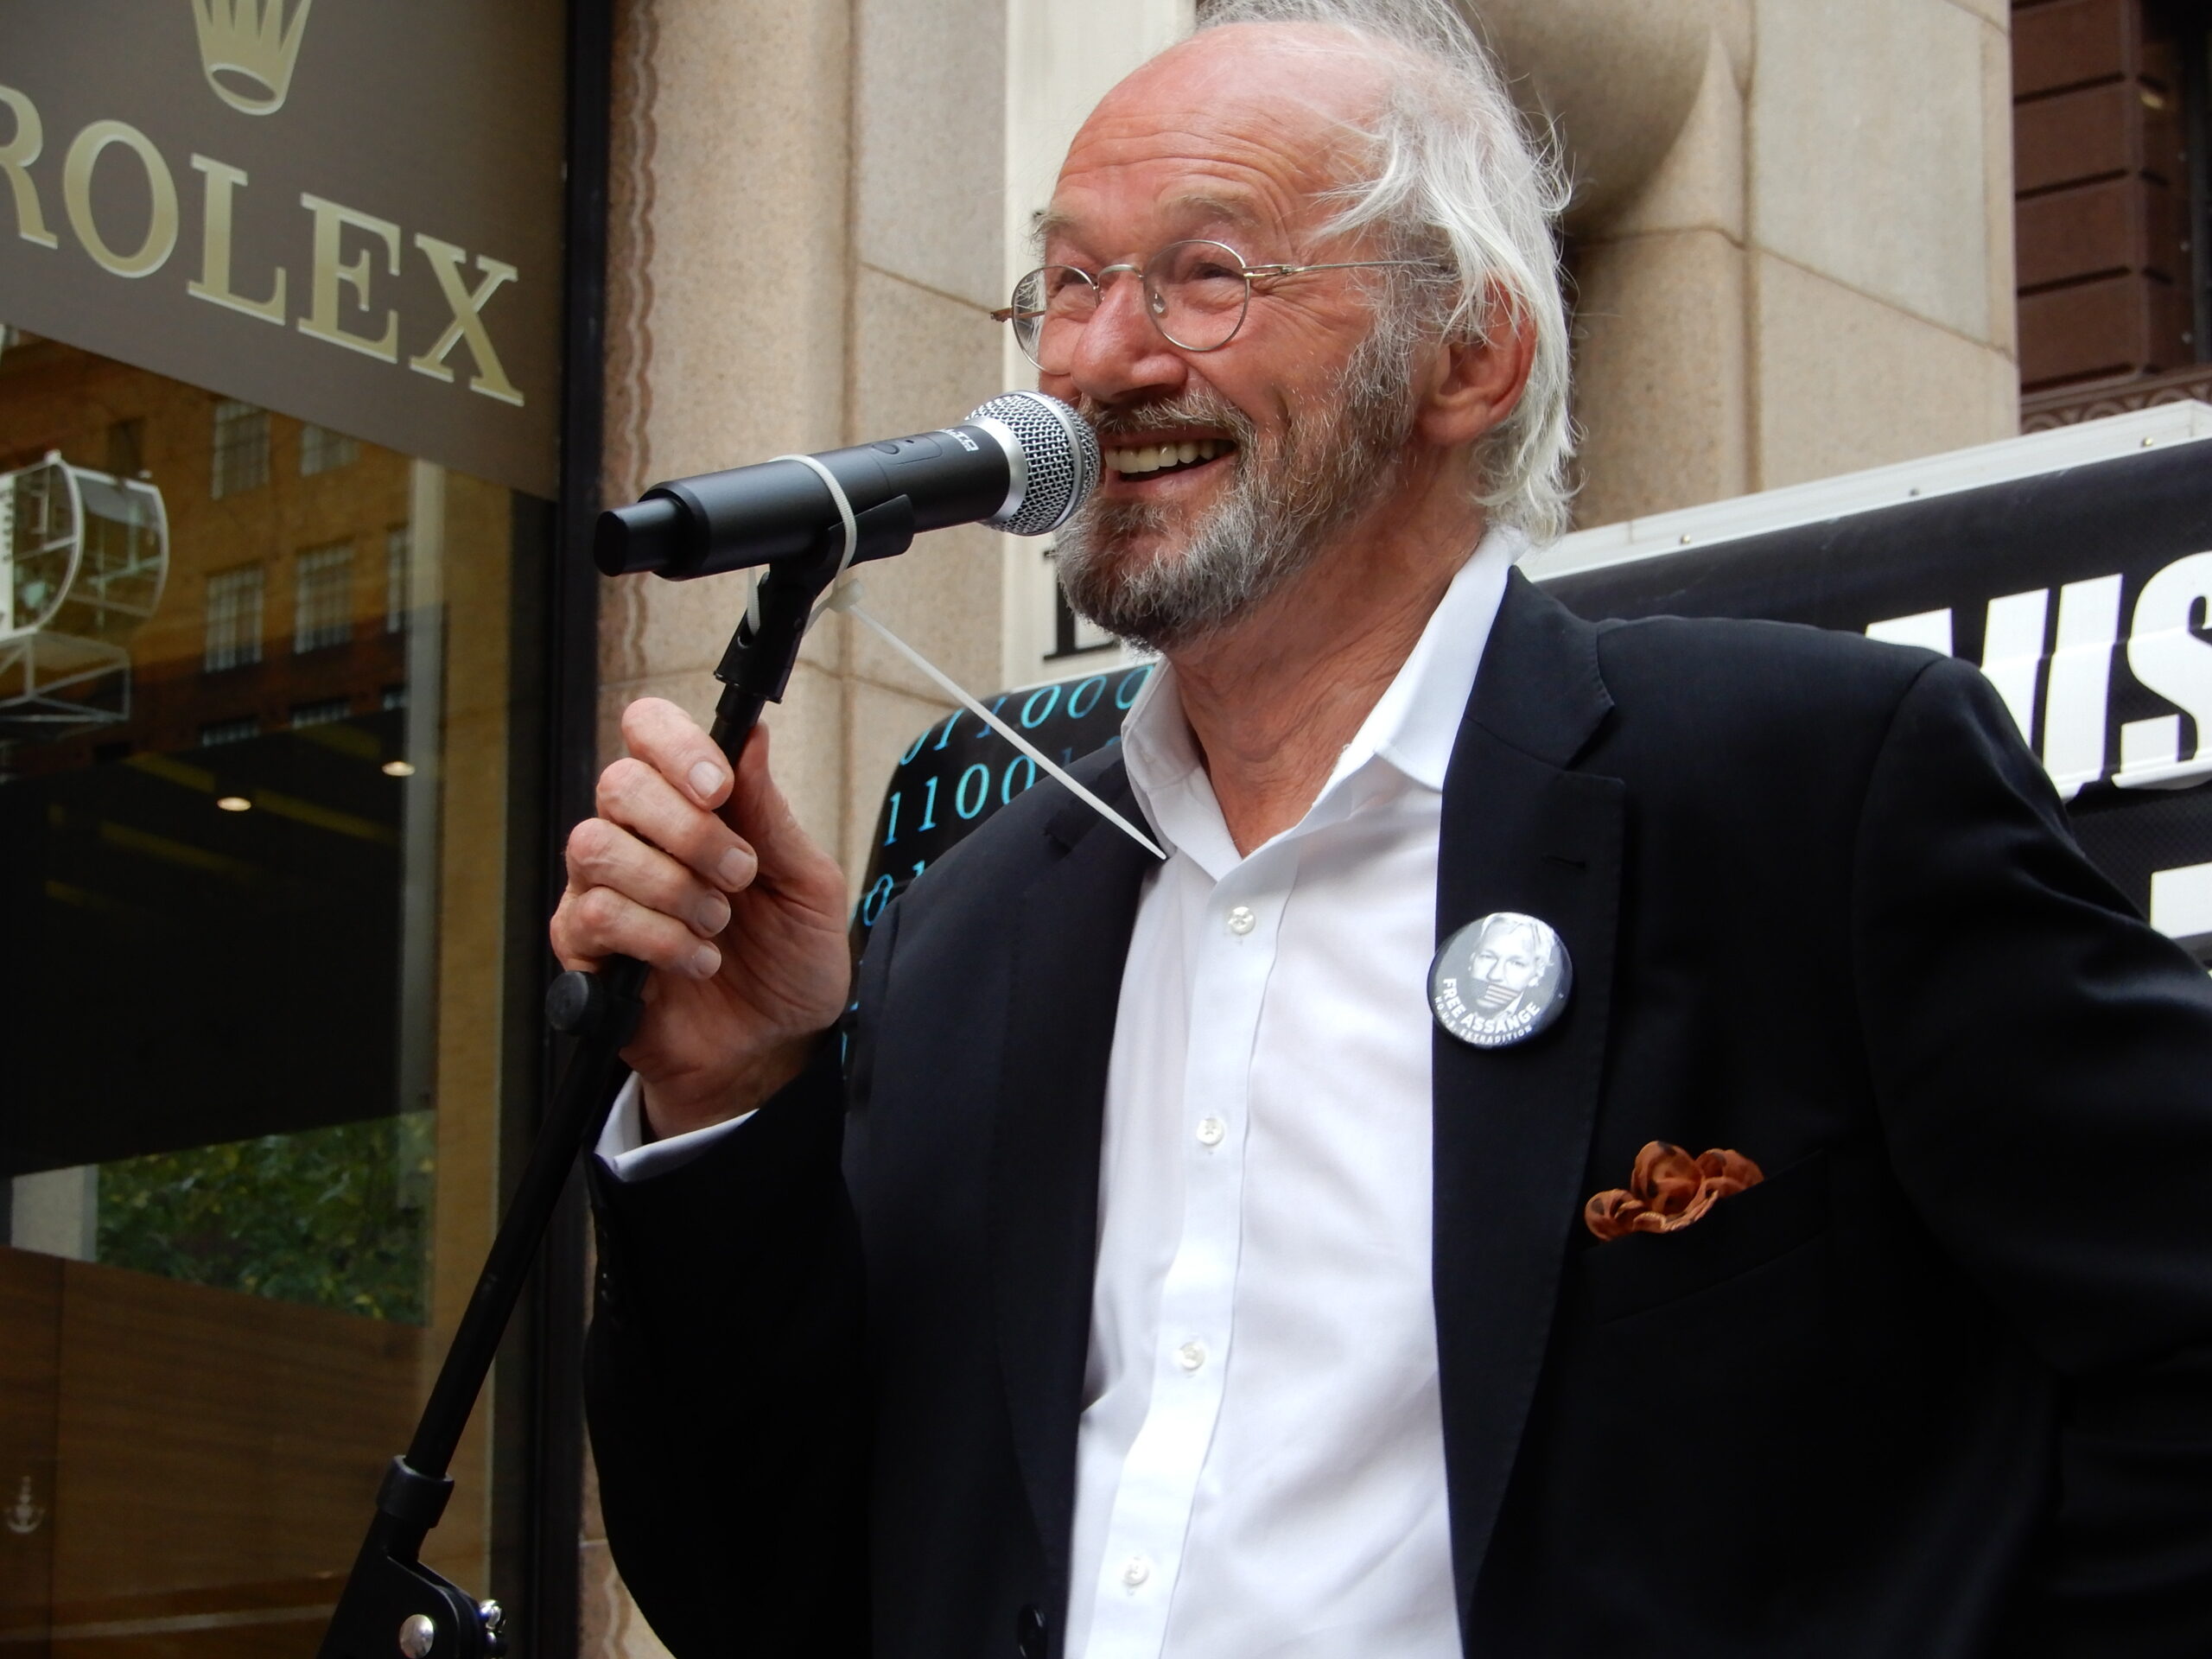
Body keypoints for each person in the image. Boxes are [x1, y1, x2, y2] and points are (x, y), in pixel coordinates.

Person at [551, 2, 2212, 1655]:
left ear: (1469, 355)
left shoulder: (1806, 789)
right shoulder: (971, 939)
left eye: (1209, 273)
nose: (1098, 363)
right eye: (1065, 281)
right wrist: (725, 1107)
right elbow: (763, 1591)